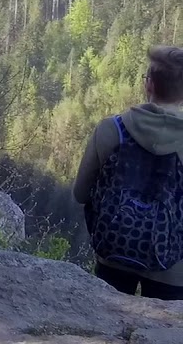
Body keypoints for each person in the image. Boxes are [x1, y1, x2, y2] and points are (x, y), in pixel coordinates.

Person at [74, 45, 183, 300]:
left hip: (113, 253)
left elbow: (80, 193)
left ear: (150, 85)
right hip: (174, 267)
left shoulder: (111, 129)